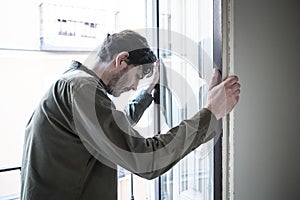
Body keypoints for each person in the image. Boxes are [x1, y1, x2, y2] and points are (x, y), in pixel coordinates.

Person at [21, 29, 240, 200]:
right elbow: (145, 159)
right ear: (121, 60)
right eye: (137, 76)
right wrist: (210, 113)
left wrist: (145, 95)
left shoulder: (72, 82)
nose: (135, 86)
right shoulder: (82, 88)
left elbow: (111, 130)